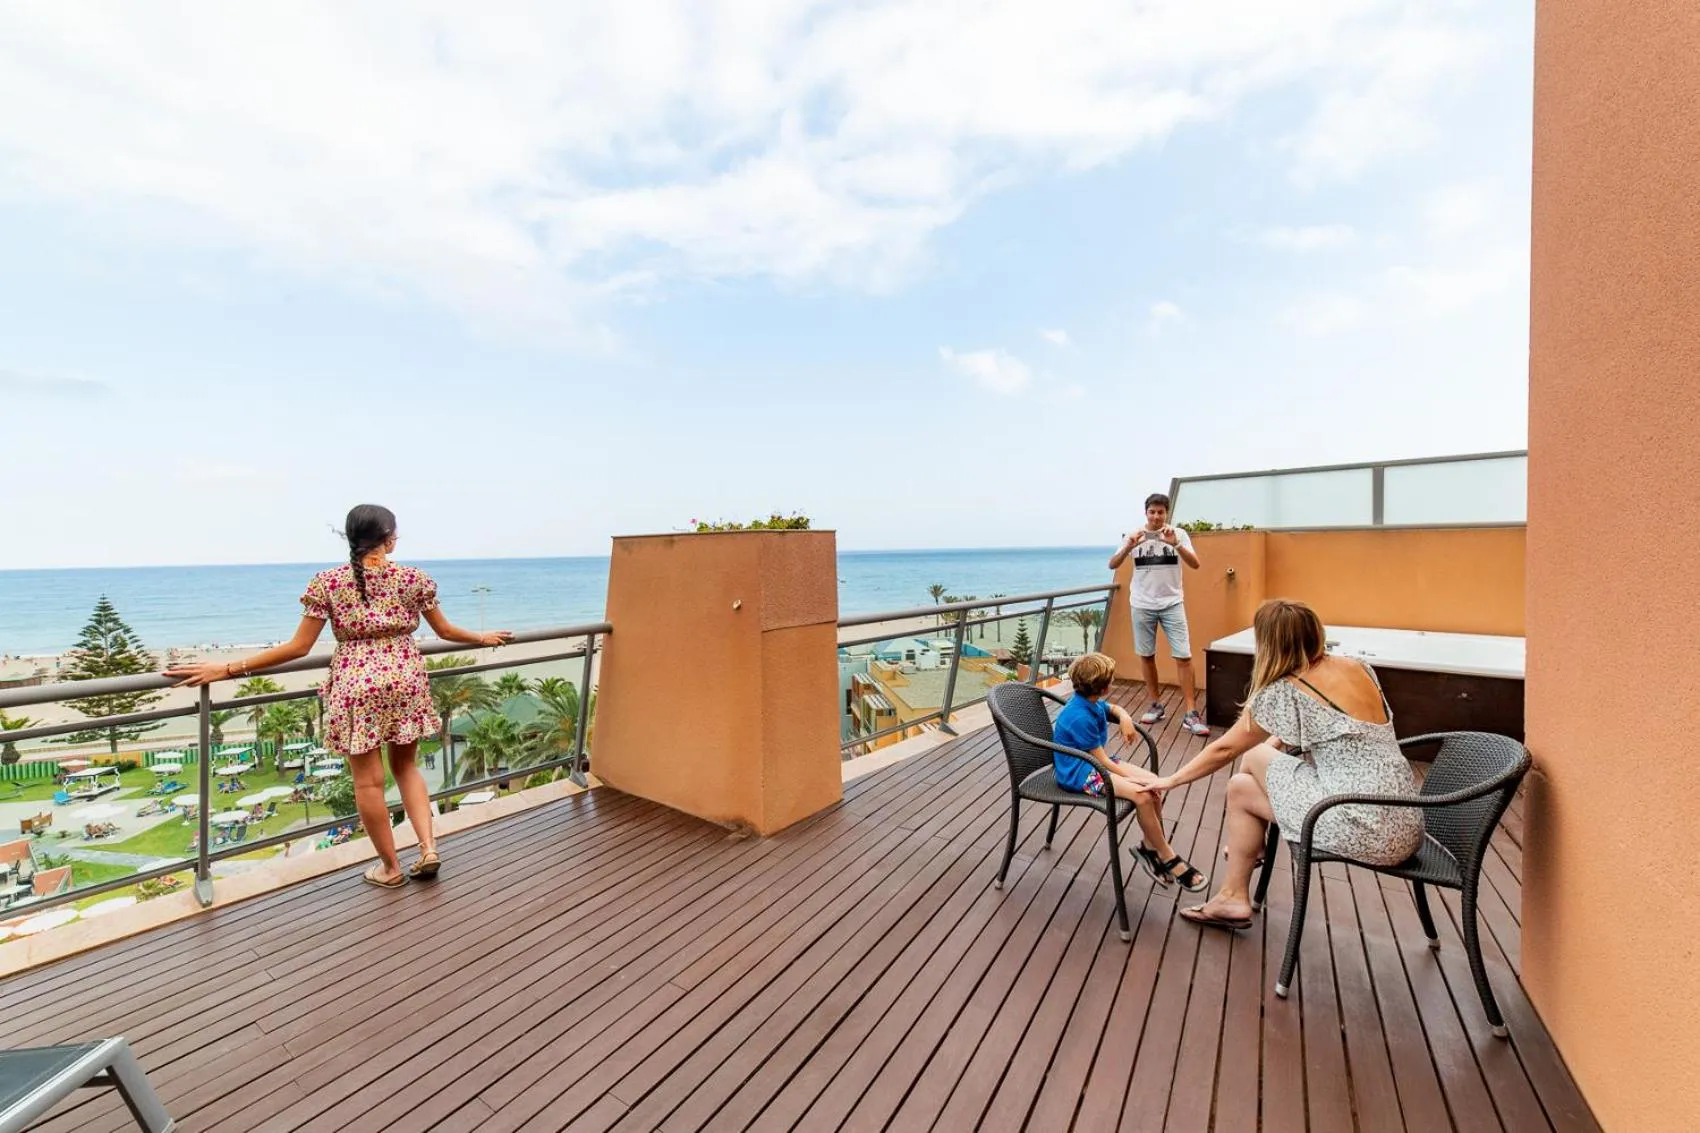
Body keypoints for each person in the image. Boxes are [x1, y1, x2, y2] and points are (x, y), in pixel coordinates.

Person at [167, 504, 511, 889]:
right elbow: (445, 631)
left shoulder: (328, 582)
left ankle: (390, 869)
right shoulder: (414, 579)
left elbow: (299, 648)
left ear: (351, 539)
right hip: (405, 678)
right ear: (389, 538)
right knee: (407, 768)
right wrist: (482, 637)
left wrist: (227, 669)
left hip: (356, 685)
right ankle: (428, 848)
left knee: (368, 783)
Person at [1120, 598, 1423, 930]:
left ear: (1269, 643)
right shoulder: (1358, 667)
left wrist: (1170, 781)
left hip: (1359, 826)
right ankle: (1233, 894)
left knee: (1250, 758)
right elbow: (1315, 727)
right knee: (1240, 789)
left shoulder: (1288, 689)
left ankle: (1239, 877)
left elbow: (1224, 750)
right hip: (1405, 820)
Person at [1052, 653, 1208, 891]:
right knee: (1143, 794)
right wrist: (1131, 779)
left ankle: (1149, 845)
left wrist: (1124, 716)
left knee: (1155, 782)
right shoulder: (1079, 716)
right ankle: (1166, 854)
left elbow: (1111, 708)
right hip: (1080, 773)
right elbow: (1102, 762)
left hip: (1093, 763)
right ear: (1104, 687)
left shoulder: (1089, 702)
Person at [1107, 493, 1209, 737]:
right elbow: (1113, 564)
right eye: (1152, 512)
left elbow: (1195, 564)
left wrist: (1175, 544)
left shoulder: (1178, 534)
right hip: (1142, 604)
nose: (1156, 516)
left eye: (1160, 512)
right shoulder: (1134, 535)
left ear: (1167, 513)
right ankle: (1155, 704)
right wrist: (1129, 546)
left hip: (1172, 603)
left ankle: (1191, 713)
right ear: (1146, 513)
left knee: (1183, 656)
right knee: (1146, 655)